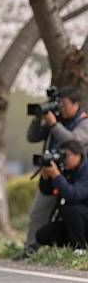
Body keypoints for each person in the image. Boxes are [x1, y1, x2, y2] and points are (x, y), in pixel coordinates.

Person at [17, 86, 88, 258]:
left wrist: (54, 124)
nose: (60, 108)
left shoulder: (84, 123)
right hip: (52, 172)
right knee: (38, 212)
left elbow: (73, 142)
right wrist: (38, 119)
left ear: (76, 104)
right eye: (58, 104)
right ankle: (30, 250)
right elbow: (32, 137)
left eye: (63, 104)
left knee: (72, 209)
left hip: (75, 176)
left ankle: (80, 248)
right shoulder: (56, 119)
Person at [35, 140, 88, 250]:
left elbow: (74, 195)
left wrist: (56, 176)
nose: (63, 159)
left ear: (78, 154)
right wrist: (45, 177)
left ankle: (81, 249)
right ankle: (74, 244)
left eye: (66, 155)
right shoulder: (63, 169)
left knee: (71, 208)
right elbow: (47, 191)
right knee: (43, 235)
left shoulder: (85, 170)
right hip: (75, 221)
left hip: (83, 216)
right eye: (61, 155)